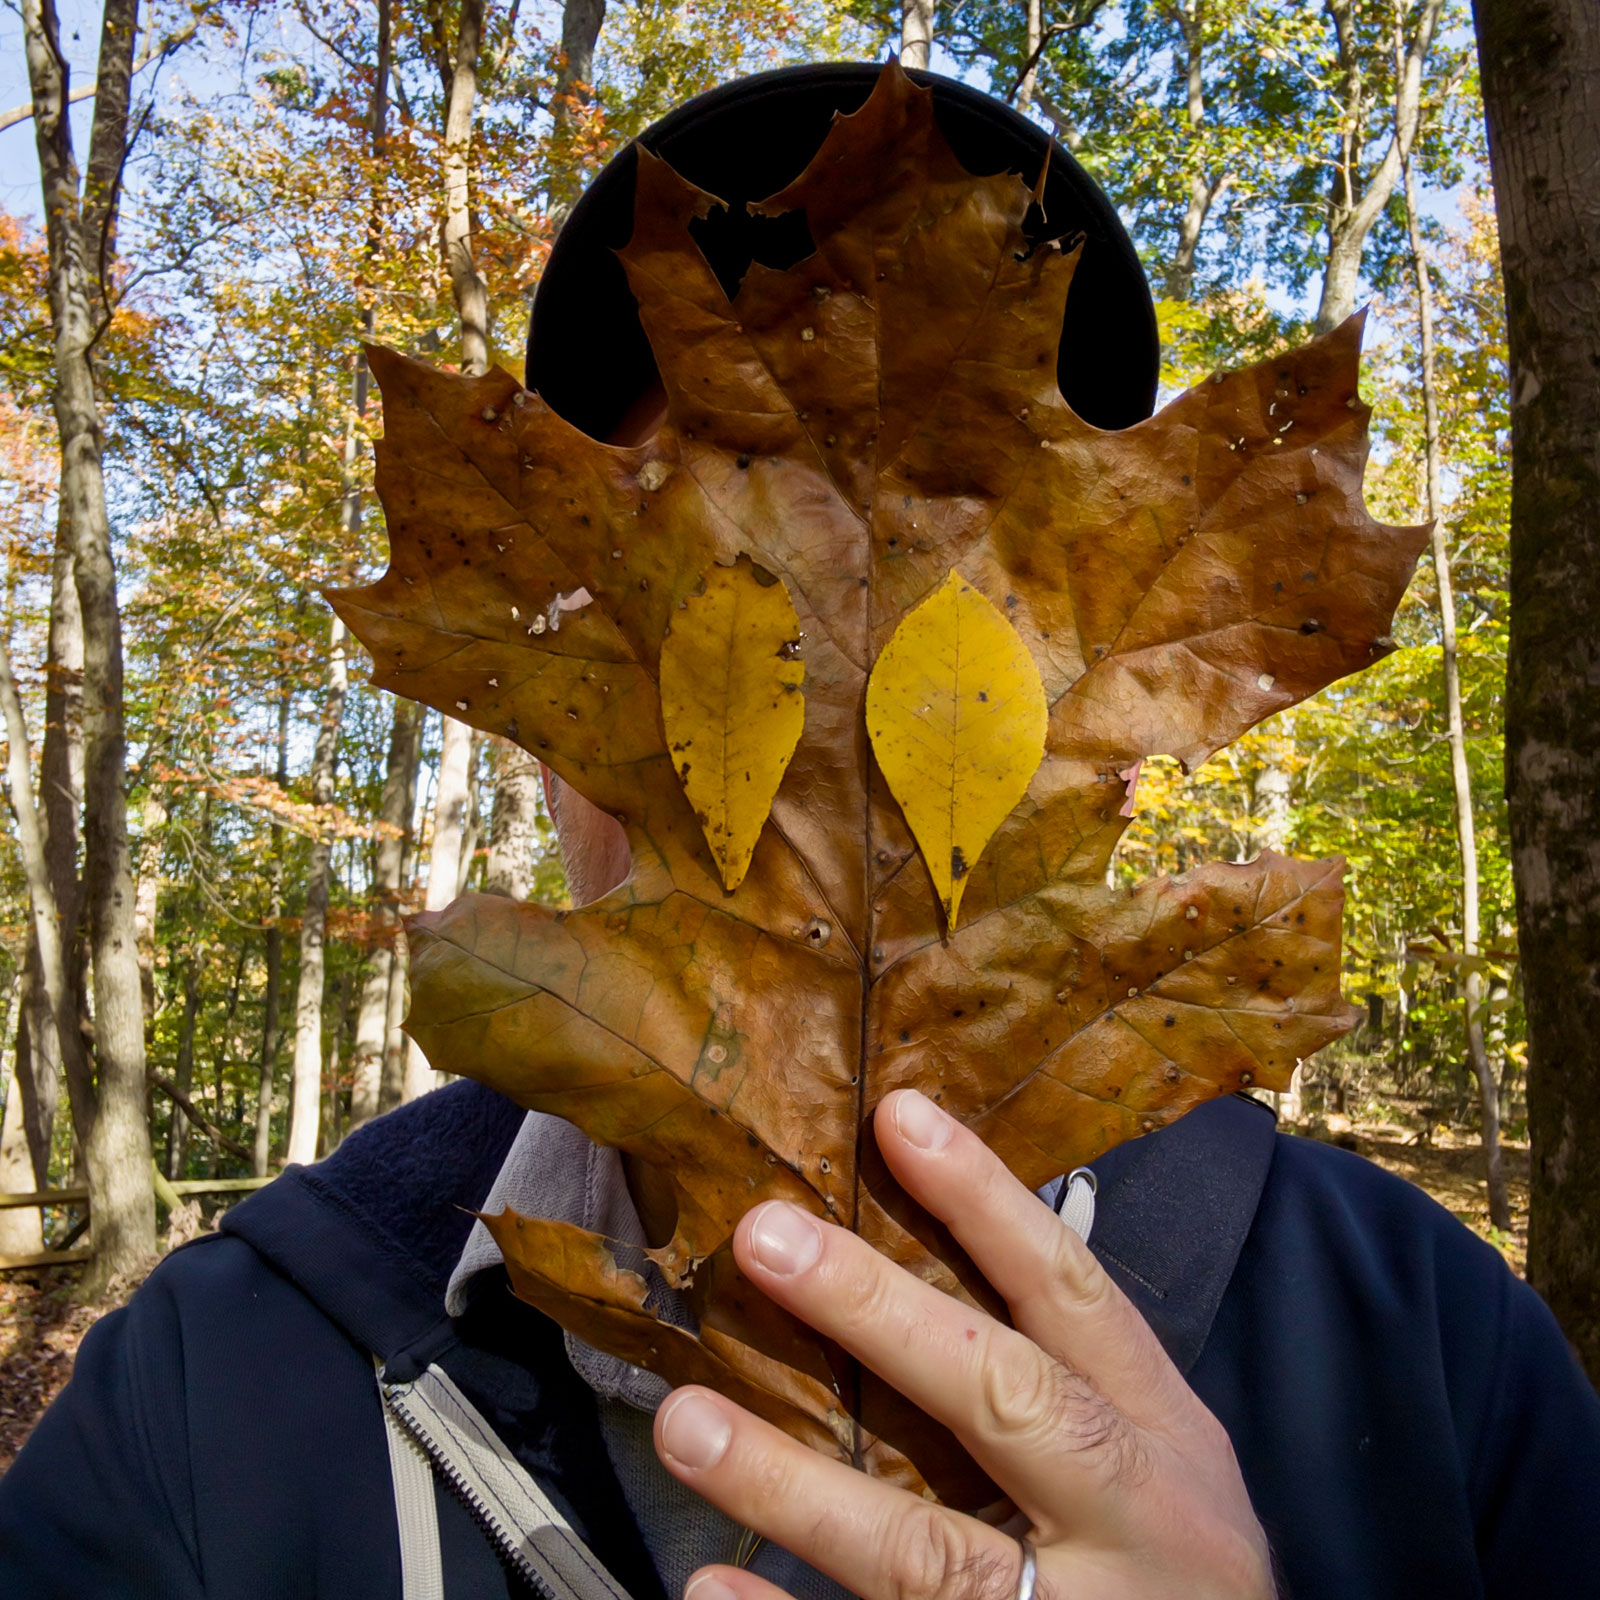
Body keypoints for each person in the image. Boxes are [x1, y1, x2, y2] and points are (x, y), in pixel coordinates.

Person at [3, 61, 1599, 1600]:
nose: (824, 760)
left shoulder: (1434, 1365)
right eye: (716, 635)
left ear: (1121, 708)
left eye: (950, 656)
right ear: (554, 708)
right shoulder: (214, 1405)